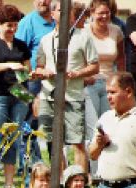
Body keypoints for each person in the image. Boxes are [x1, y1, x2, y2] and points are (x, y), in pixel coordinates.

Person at [33, 0, 99, 174]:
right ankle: (60, 179)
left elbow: (95, 67)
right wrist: (44, 72)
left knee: (77, 141)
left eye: (69, 10)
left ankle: (80, 180)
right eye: (61, 10)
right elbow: (39, 67)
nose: (65, 13)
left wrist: (77, 73)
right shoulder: (46, 39)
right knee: (53, 141)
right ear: (52, 14)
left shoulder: (83, 36)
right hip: (49, 96)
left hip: (73, 96)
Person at [0, 4, 31, 188]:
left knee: (13, 138)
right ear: (0, 24)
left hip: (19, 93)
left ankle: (9, 184)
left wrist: (31, 74)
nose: (12, 29)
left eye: (15, 25)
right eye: (8, 25)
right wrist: (10, 65)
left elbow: (26, 71)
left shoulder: (21, 45)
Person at [84, 0, 125, 141]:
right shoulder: (84, 31)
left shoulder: (116, 31)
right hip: (90, 82)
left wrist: (121, 79)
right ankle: (91, 154)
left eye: (107, 13)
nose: (104, 16)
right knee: (92, 126)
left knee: (109, 124)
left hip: (109, 83)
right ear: (92, 13)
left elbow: (121, 58)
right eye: (101, 13)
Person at [15, 0, 55, 96]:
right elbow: (16, 54)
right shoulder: (27, 22)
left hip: (55, 78)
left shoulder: (59, 20)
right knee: (28, 105)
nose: (42, 1)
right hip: (33, 81)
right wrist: (23, 82)